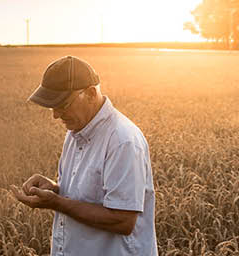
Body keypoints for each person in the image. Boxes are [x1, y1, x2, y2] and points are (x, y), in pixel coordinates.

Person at [11, 56, 157, 255]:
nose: (55, 115)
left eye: (62, 104)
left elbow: (123, 220)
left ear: (89, 93)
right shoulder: (76, 132)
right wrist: (55, 189)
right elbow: (87, 196)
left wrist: (56, 202)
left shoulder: (123, 141)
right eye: (52, 107)